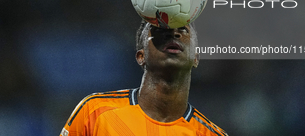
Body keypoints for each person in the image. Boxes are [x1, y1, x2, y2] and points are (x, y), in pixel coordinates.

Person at [59, 20, 227, 136]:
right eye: (161, 31)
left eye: (183, 30)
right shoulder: (95, 111)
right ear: (141, 56)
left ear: (196, 57)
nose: (174, 34)